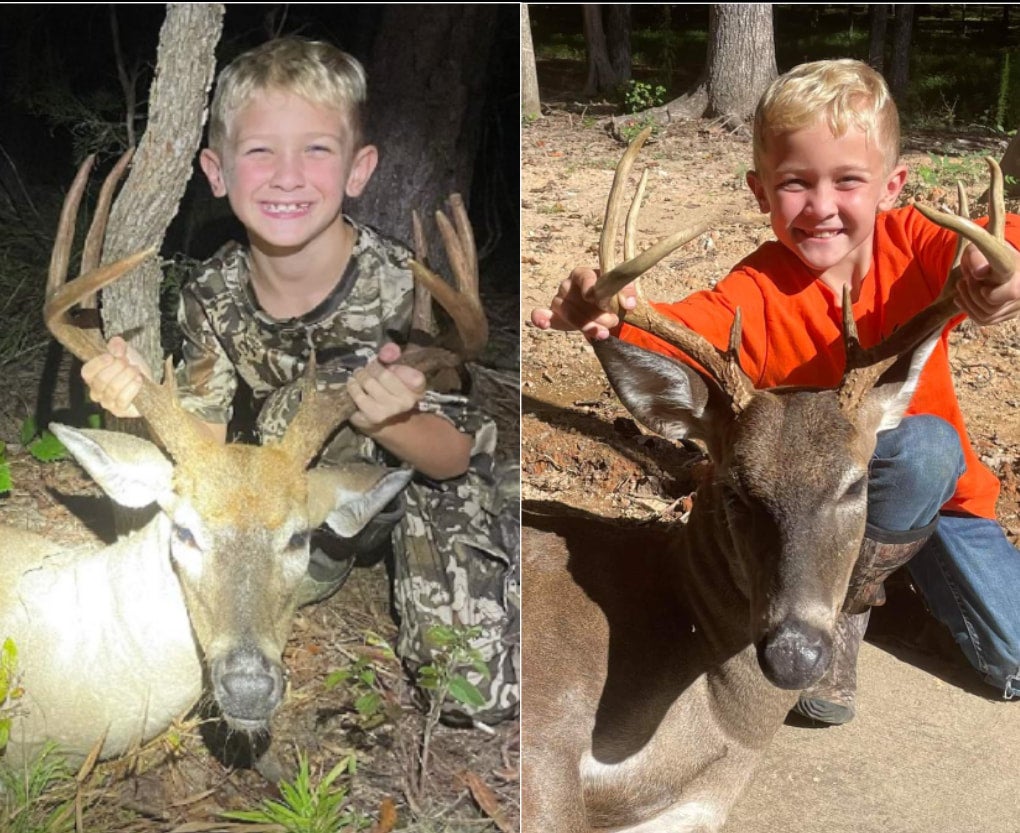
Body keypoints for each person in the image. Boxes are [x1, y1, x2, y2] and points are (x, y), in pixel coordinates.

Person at [532, 58, 1020, 724]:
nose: (821, 206)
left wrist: (996, 273)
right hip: (806, 515)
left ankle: (885, 586)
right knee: (911, 462)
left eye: (848, 180)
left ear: (892, 186)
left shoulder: (921, 249)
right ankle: (845, 612)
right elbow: (675, 334)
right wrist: (609, 316)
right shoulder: (755, 293)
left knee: (1007, 649)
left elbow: (1000, 253)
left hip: (941, 500)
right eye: (796, 184)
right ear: (761, 192)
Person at [81, 36, 519, 727]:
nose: (287, 176)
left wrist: (390, 420)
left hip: (421, 475)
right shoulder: (211, 292)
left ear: (358, 168)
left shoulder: (408, 290)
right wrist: (138, 394)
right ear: (216, 172)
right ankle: (309, 560)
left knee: (474, 695)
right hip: (298, 498)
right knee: (284, 430)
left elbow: (454, 455)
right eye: (259, 151)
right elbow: (209, 449)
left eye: (315, 149)